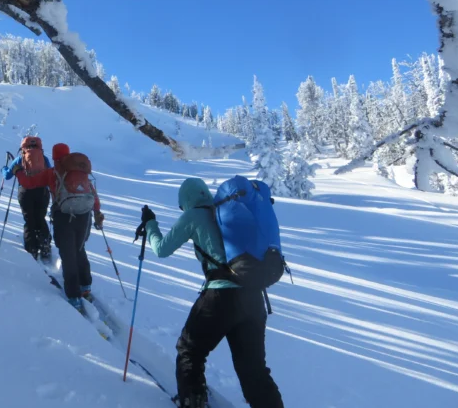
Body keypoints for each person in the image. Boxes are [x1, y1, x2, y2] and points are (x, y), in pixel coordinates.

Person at [138, 178, 283, 408]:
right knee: (253, 369)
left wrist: (150, 224)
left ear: (185, 200)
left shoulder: (193, 215)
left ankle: (193, 401)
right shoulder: (224, 211)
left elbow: (162, 249)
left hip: (220, 298)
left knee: (190, 350)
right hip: (254, 299)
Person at [15, 143, 104, 312]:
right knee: (79, 249)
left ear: (54, 156)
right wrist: (98, 213)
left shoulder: (52, 173)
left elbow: (29, 182)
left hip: (63, 216)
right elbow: (93, 194)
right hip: (84, 216)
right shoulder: (80, 171)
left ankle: (74, 296)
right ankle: (85, 286)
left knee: (67, 254)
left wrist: (18, 171)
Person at [2, 137, 53, 262]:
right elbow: (50, 173)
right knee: (40, 217)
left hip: (25, 193)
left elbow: (8, 176)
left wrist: (3, 168)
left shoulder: (20, 159)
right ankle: (45, 244)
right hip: (42, 192)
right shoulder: (44, 159)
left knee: (29, 219)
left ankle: (32, 249)